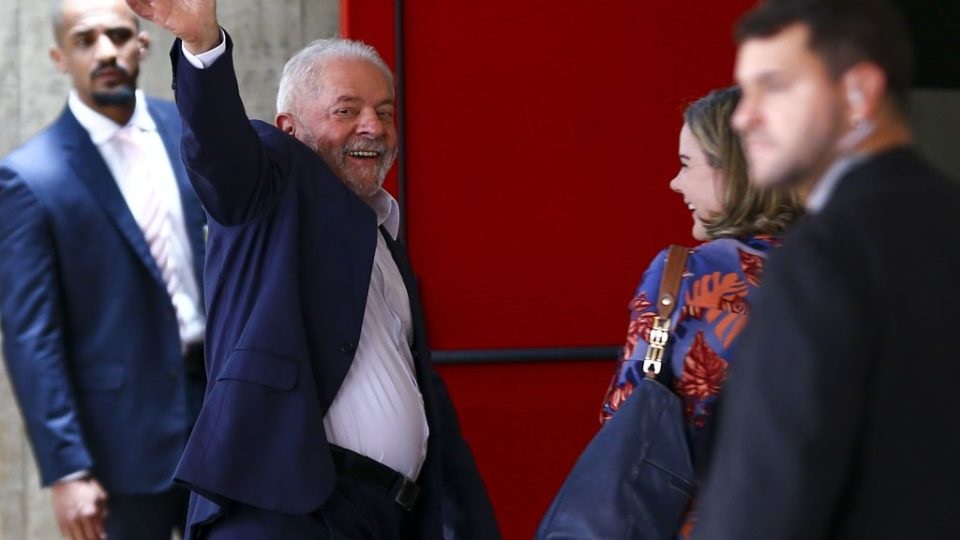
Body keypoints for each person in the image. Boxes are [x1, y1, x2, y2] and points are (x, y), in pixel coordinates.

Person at [125, 0, 500, 538]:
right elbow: (219, 150)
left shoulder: (384, 239)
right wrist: (203, 45)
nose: (373, 126)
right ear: (290, 128)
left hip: (382, 517)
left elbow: (424, 396)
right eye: (346, 111)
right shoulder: (268, 183)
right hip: (283, 511)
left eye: (385, 112)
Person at [692, 1, 960, 538]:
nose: (744, 116)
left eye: (773, 86)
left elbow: (766, 493)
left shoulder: (825, 253)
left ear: (859, 93)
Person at [0, 0, 207, 539]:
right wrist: (67, 469)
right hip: (121, 445)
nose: (106, 51)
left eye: (118, 35)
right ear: (59, 57)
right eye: (85, 40)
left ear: (142, 43)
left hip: (219, 415)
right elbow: (32, 337)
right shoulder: (29, 178)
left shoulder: (189, 131)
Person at [595, 86, 801, 538]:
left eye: (687, 164)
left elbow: (626, 418)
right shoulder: (854, 270)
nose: (676, 182)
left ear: (736, 168)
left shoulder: (688, 274)